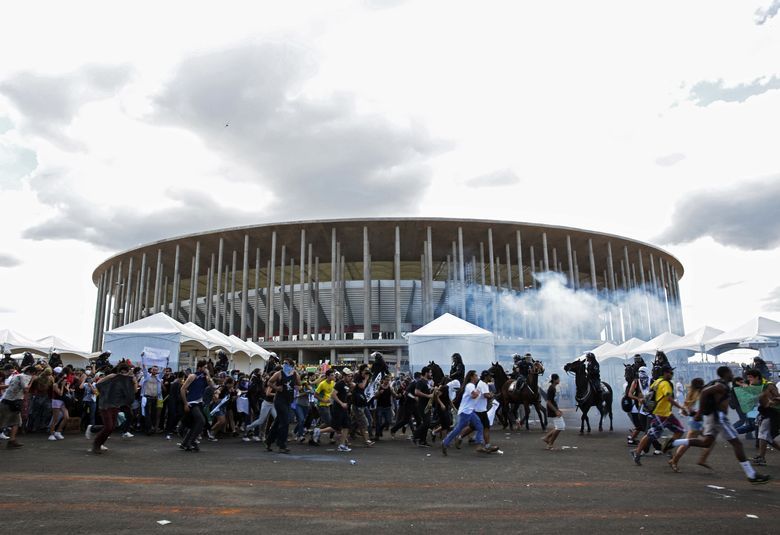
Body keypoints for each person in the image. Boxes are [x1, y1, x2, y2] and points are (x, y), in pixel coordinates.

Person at [668, 366, 770, 484]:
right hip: (719, 418)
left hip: (713, 417)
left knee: (706, 442)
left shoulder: (722, 384)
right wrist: (700, 413)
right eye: (730, 372)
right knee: (737, 443)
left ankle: (674, 442)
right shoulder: (721, 385)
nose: (732, 374)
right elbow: (705, 392)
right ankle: (751, 475)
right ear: (725, 374)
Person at [631, 365, 687, 465]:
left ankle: (639, 452)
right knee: (678, 431)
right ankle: (664, 448)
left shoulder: (657, 381)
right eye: (670, 373)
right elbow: (669, 398)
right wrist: (681, 408)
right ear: (665, 373)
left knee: (652, 434)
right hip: (663, 414)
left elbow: (650, 393)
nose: (672, 374)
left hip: (660, 413)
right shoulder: (666, 384)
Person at [88, 363, 137, 454]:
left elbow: (134, 391)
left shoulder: (128, 381)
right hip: (105, 405)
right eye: (122, 372)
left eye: (125, 372)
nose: (123, 374)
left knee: (112, 427)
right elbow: (98, 384)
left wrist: (134, 382)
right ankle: (96, 445)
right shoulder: (113, 376)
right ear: (119, 371)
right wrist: (108, 380)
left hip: (116, 406)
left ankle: (95, 433)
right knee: (109, 426)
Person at [441, 370, 490, 455]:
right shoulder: (470, 385)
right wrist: (479, 392)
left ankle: (479, 445)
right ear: (471, 377)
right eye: (475, 376)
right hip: (466, 412)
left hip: (470, 411)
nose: (477, 377)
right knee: (458, 429)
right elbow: (474, 396)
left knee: (479, 426)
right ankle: (445, 442)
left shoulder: (472, 385)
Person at [668, 378, 707, 472]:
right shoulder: (700, 395)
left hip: (694, 421)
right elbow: (696, 410)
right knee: (687, 444)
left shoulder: (692, 393)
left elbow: (687, 408)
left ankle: (702, 460)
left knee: (707, 441)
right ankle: (674, 460)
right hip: (696, 422)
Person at [265, 358, 300, 453]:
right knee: (285, 421)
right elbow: (269, 382)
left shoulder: (295, 374)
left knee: (278, 422)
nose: (284, 365)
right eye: (284, 363)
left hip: (289, 400)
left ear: (291, 365)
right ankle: (282, 445)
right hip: (279, 400)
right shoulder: (279, 373)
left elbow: (299, 385)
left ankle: (268, 441)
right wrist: (276, 388)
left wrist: (297, 387)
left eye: (287, 363)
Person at [179, 360, 215, 452]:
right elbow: (183, 389)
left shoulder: (205, 377)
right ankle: (191, 442)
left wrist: (208, 375)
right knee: (201, 421)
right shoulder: (192, 376)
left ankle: (186, 443)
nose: (206, 369)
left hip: (199, 403)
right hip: (192, 402)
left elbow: (212, 386)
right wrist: (185, 403)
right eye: (205, 367)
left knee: (196, 424)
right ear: (200, 367)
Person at [0, 366, 37, 448]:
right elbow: (26, 389)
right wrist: (32, 381)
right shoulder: (26, 377)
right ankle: (12, 441)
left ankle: (12, 440)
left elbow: (10, 386)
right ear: (33, 372)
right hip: (13, 402)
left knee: (3, 421)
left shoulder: (16, 376)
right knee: (16, 422)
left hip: (5, 400)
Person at [751, 369, 780, 466]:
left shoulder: (769, 385)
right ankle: (761, 457)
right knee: (767, 437)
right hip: (766, 412)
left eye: (750, 378)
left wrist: (773, 401)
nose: (749, 380)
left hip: (774, 413)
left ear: (757, 377)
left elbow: (778, 397)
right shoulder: (757, 387)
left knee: (763, 434)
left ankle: (761, 457)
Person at [140, 360, 163, 435]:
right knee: (147, 413)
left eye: (156, 370)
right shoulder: (147, 376)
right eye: (153, 369)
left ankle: (151, 428)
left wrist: (167, 360)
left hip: (155, 398)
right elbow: (144, 368)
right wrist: (143, 358)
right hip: (147, 398)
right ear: (151, 370)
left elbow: (164, 369)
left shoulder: (159, 377)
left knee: (153, 414)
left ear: (157, 371)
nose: (154, 371)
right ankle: (148, 428)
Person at [413, 367, 434, 448]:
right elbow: (416, 392)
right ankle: (415, 435)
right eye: (430, 372)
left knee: (427, 423)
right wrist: (428, 396)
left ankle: (423, 441)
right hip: (422, 406)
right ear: (426, 373)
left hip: (427, 406)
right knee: (426, 423)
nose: (431, 374)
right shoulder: (421, 381)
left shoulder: (426, 382)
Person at [542, 373, 563, 450]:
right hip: (552, 410)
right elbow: (548, 402)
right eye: (558, 379)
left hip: (553, 409)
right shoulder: (551, 389)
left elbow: (552, 401)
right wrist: (556, 411)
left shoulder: (553, 388)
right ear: (554, 380)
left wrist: (557, 409)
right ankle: (550, 443)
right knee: (560, 426)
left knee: (559, 426)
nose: (559, 380)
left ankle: (547, 438)